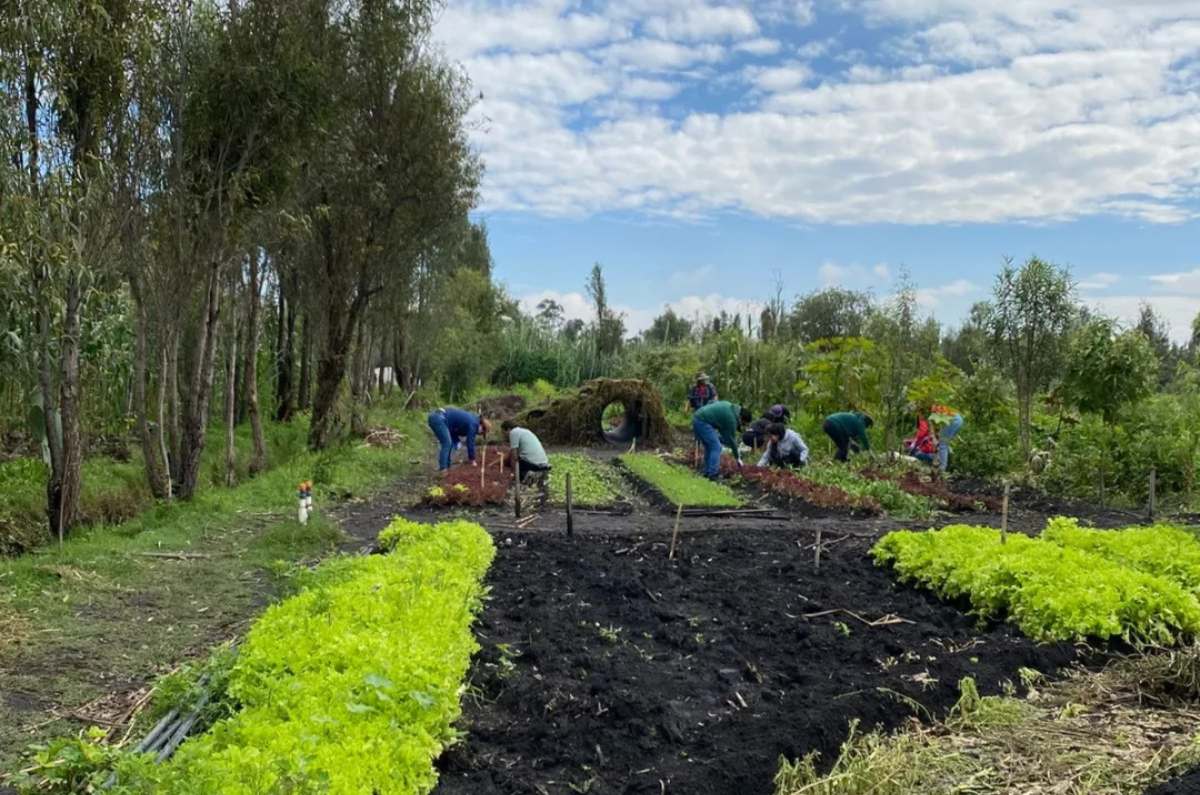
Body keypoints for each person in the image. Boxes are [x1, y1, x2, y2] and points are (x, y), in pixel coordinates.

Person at [693, 400, 752, 479]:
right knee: (716, 447)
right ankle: (713, 474)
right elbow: (731, 441)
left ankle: (707, 471)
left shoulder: (730, 407)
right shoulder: (731, 419)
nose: (742, 425)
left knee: (709, 446)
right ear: (741, 418)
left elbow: (725, 435)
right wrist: (738, 458)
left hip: (698, 418)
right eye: (743, 423)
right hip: (703, 422)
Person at [930, 403, 964, 472]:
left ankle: (942, 470)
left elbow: (932, 427)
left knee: (943, 444)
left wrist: (934, 437)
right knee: (945, 444)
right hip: (958, 419)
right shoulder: (937, 404)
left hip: (953, 420)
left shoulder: (932, 409)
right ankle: (947, 466)